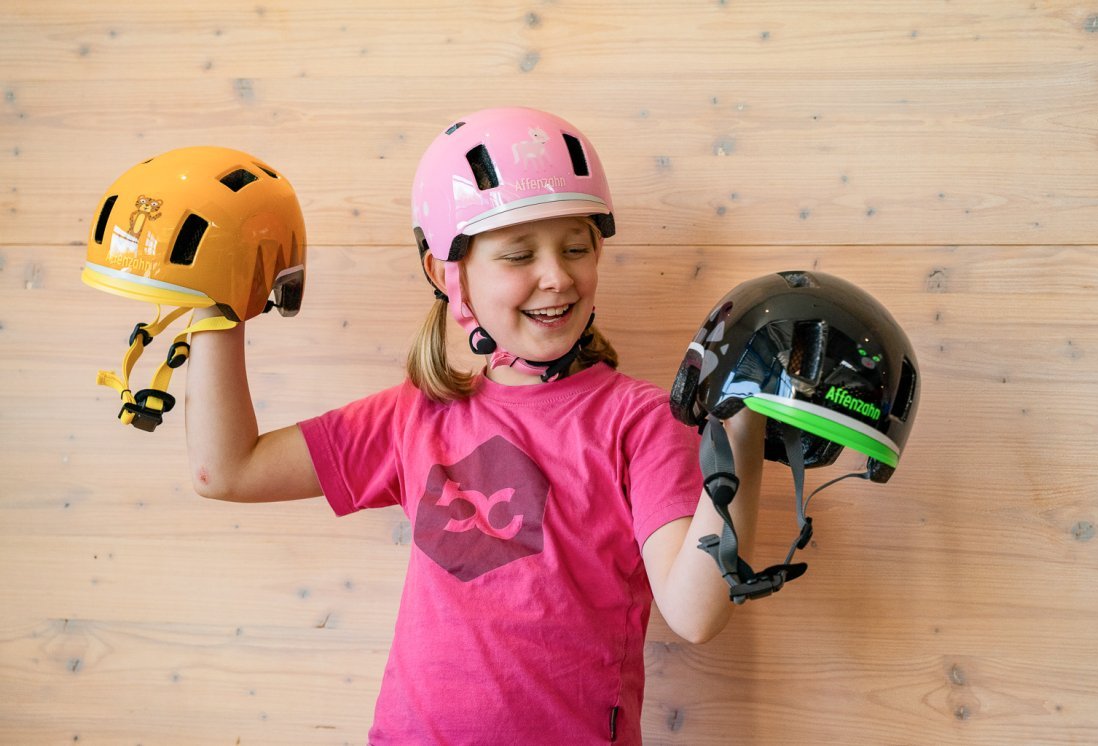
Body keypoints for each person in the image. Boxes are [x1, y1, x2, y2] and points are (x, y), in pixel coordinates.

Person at [185, 107, 763, 745]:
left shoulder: (638, 420)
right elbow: (227, 469)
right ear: (445, 273)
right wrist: (216, 309)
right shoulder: (417, 412)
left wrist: (745, 432)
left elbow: (695, 613)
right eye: (518, 254)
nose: (557, 275)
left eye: (577, 247)